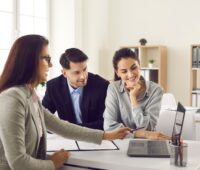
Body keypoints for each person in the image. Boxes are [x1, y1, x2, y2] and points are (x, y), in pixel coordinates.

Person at [0, 35, 131, 170]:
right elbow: (18, 163)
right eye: (47, 59)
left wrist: (106, 135)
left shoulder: (30, 94)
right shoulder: (12, 98)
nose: (50, 65)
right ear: (29, 61)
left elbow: (60, 126)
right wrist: (52, 163)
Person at [103, 48, 168, 139]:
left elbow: (148, 128)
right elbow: (109, 127)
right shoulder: (113, 88)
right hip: (121, 143)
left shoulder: (156, 90)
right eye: (124, 71)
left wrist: (133, 98)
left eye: (134, 68)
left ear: (139, 66)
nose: (131, 74)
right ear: (117, 73)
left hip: (146, 143)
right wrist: (139, 134)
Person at [42, 48, 109, 130]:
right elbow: (43, 119)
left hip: (96, 137)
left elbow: (105, 123)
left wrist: (70, 129)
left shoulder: (101, 85)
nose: (83, 76)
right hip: (67, 139)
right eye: (77, 72)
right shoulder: (53, 87)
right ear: (64, 73)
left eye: (84, 69)